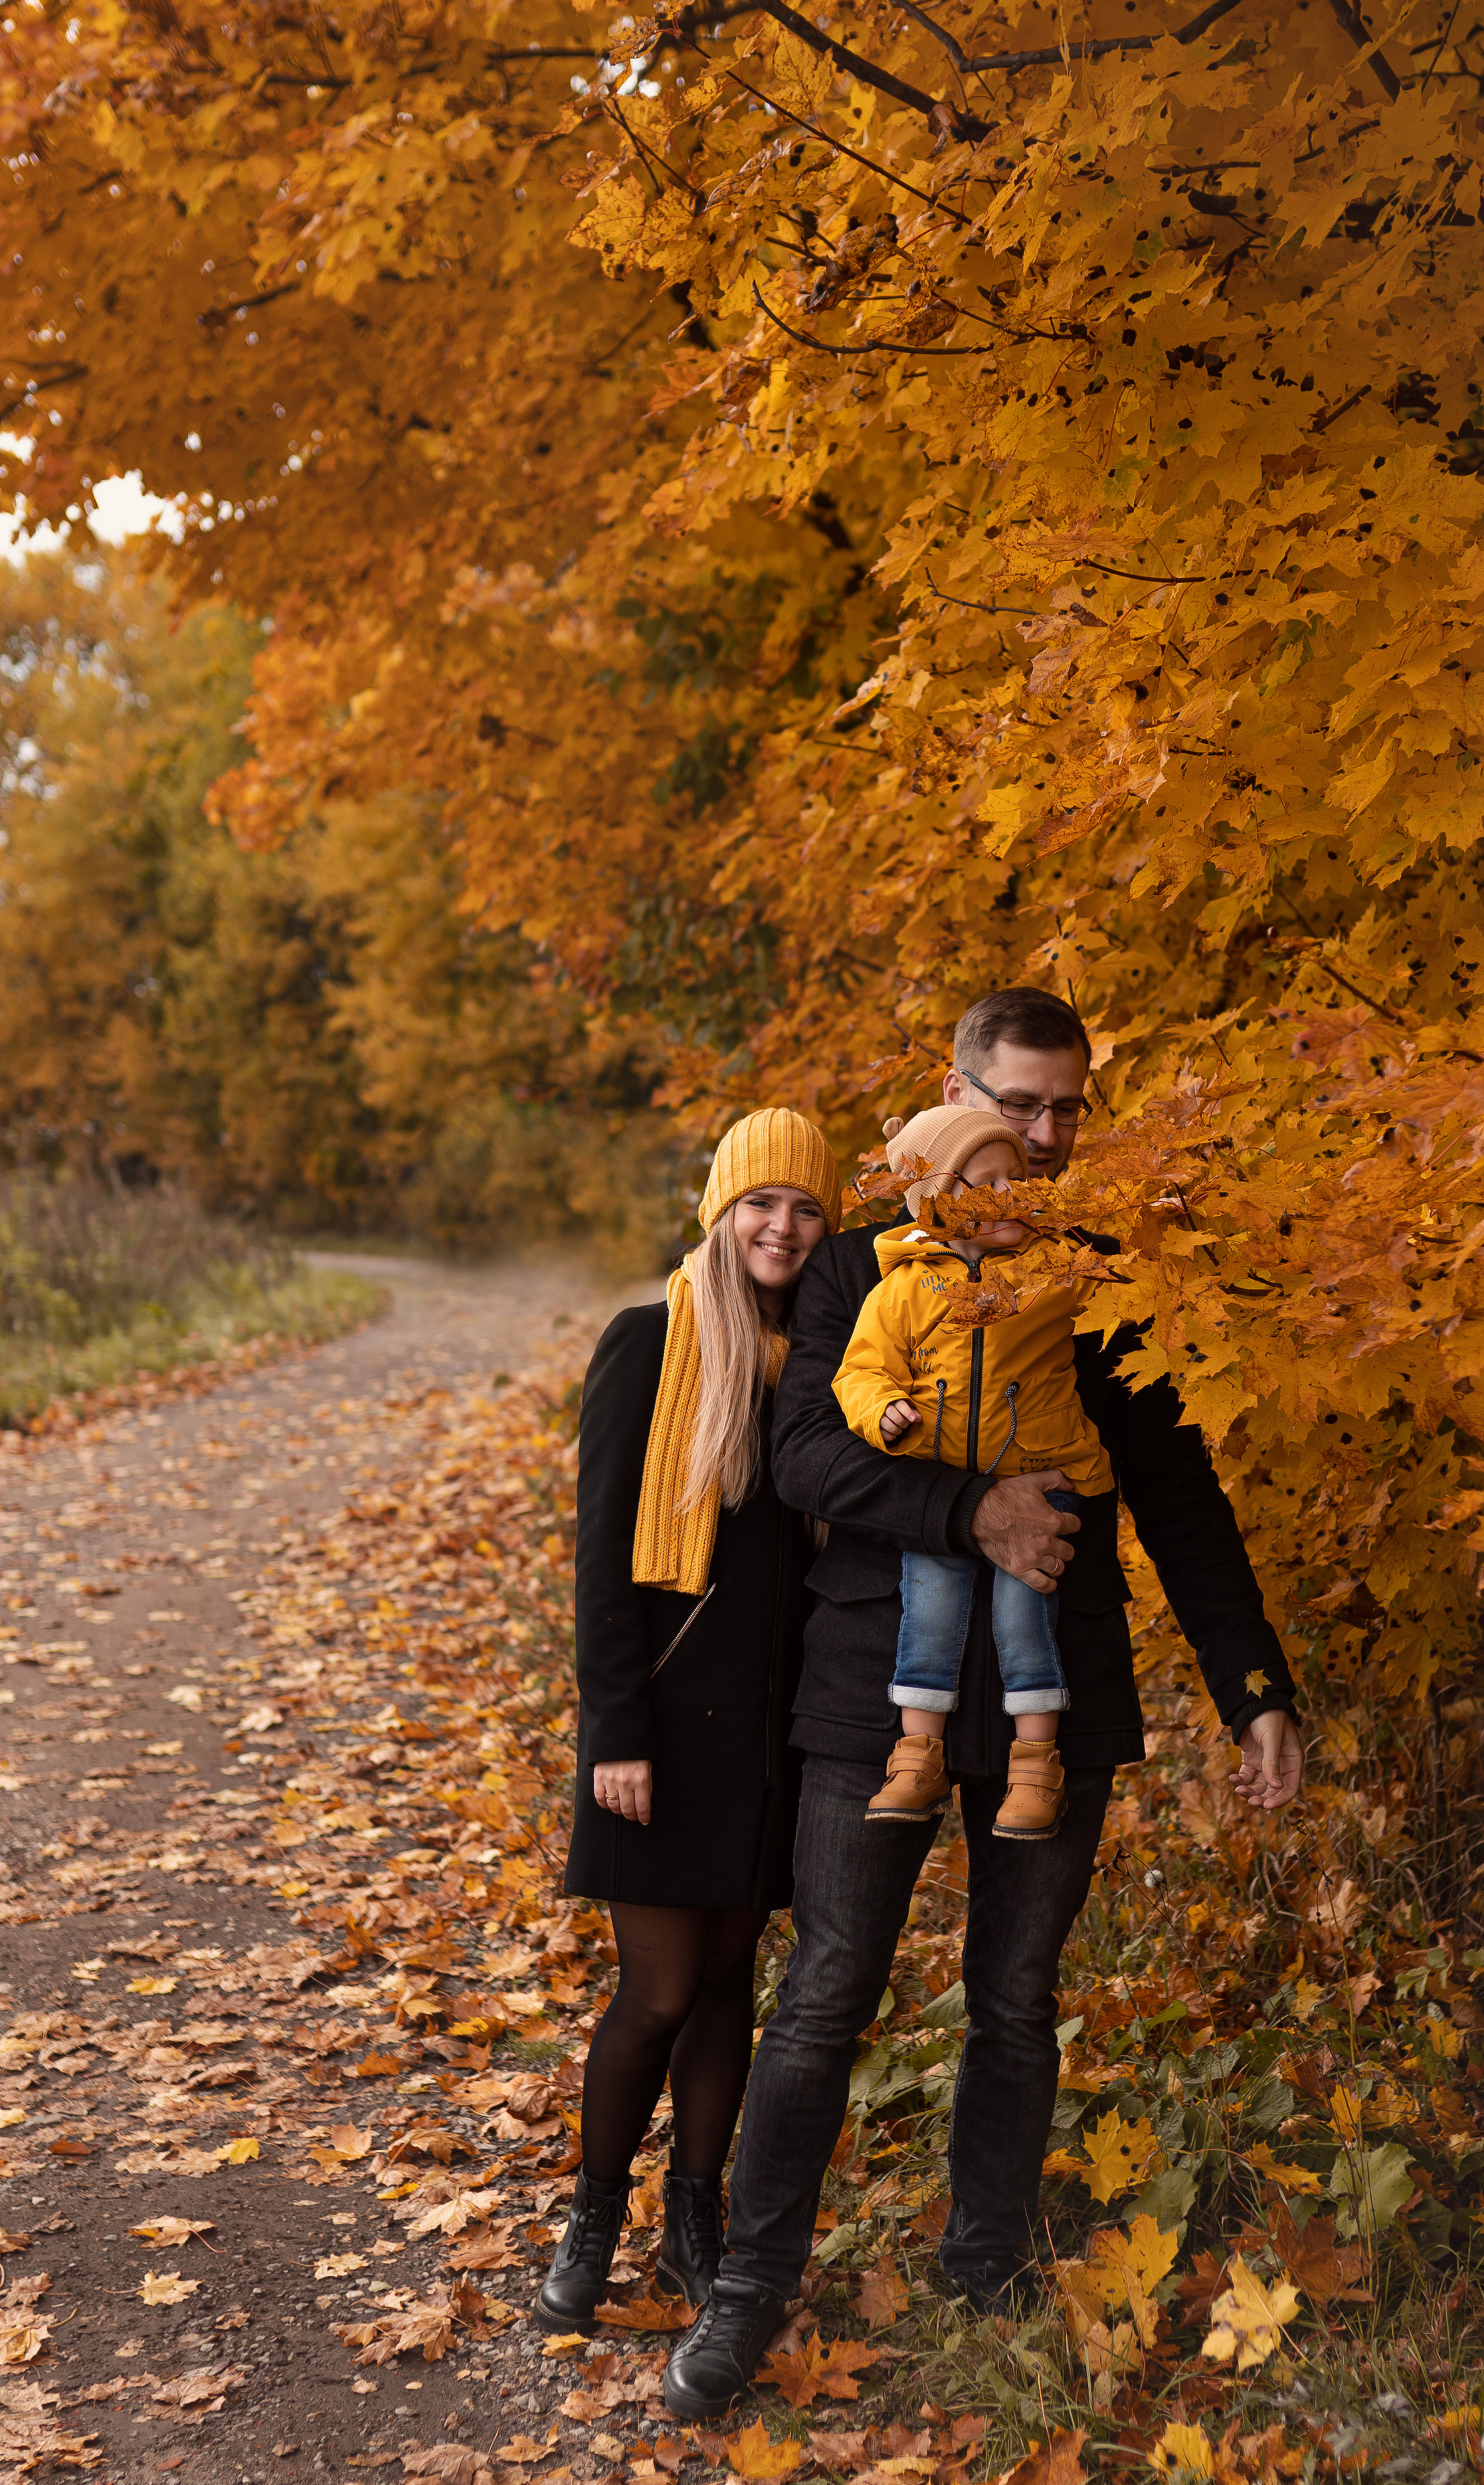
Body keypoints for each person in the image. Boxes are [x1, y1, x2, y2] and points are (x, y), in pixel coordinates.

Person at [662, 988, 1304, 2419]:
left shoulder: (1101, 1274)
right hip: (866, 1686)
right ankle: (750, 2292)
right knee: (826, 1993)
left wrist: (1251, 1684)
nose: (1046, 1131)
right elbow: (806, 1454)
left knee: (1014, 2001)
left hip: (1049, 1694)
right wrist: (973, 1515)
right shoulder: (852, 1266)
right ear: (952, 1092)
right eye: (1019, 1104)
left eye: (1068, 1107)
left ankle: (984, 2264)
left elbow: (1179, 1498)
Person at [539, 1107, 843, 2335]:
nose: (782, 1225)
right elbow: (603, 1564)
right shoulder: (649, 1343)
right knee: (656, 1994)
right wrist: (615, 1731)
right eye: (760, 1203)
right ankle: (593, 2216)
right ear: (720, 1215)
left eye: (807, 1207)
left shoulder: (827, 1367)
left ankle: (694, 2221)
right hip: (659, 1730)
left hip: (772, 1733)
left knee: (730, 1985)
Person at [832, 1104, 1113, 1839]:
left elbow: (1120, 1282)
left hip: (1039, 1478)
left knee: (1025, 1620)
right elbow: (860, 1373)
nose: (1006, 1198)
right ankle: (916, 1755)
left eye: (1015, 1180)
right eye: (982, 1185)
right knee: (928, 1615)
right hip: (938, 1487)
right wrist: (884, 1410)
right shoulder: (900, 1290)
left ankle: (1035, 1769)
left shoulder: (1052, 1272)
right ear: (934, 1204)